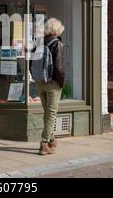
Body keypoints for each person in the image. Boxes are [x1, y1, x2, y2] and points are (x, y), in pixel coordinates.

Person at [36, 18, 65, 155]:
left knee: (47, 113)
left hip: (40, 83)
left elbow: (32, 63)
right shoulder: (57, 44)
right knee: (51, 114)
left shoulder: (39, 43)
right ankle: (44, 144)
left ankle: (52, 139)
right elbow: (59, 67)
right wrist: (61, 83)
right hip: (52, 83)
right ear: (56, 30)